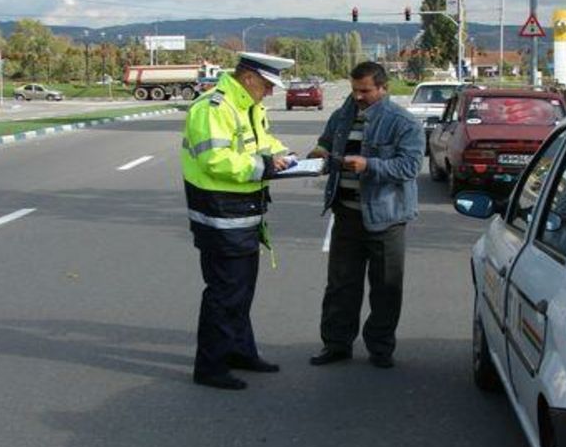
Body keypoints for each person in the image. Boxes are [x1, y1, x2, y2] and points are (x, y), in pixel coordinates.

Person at [180, 52, 295, 390]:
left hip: (243, 213)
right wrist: (264, 167)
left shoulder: (247, 105)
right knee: (224, 294)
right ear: (248, 78)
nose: (270, 92)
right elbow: (215, 159)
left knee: (241, 292)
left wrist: (284, 156)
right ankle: (210, 366)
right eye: (267, 85)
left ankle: (240, 352)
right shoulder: (213, 108)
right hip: (220, 215)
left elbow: (262, 144)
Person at [307, 61, 424, 369]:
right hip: (346, 215)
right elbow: (327, 141)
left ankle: (381, 349)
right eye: (354, 90)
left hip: (387, 220)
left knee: (386, 289)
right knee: (341, 286)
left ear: (383, 89)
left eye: (365, 91)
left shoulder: (403, 122)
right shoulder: (343, 115)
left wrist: (369, 165)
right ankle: (336, 344)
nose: (358, 96)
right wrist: (319, 152)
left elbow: (410, 167)